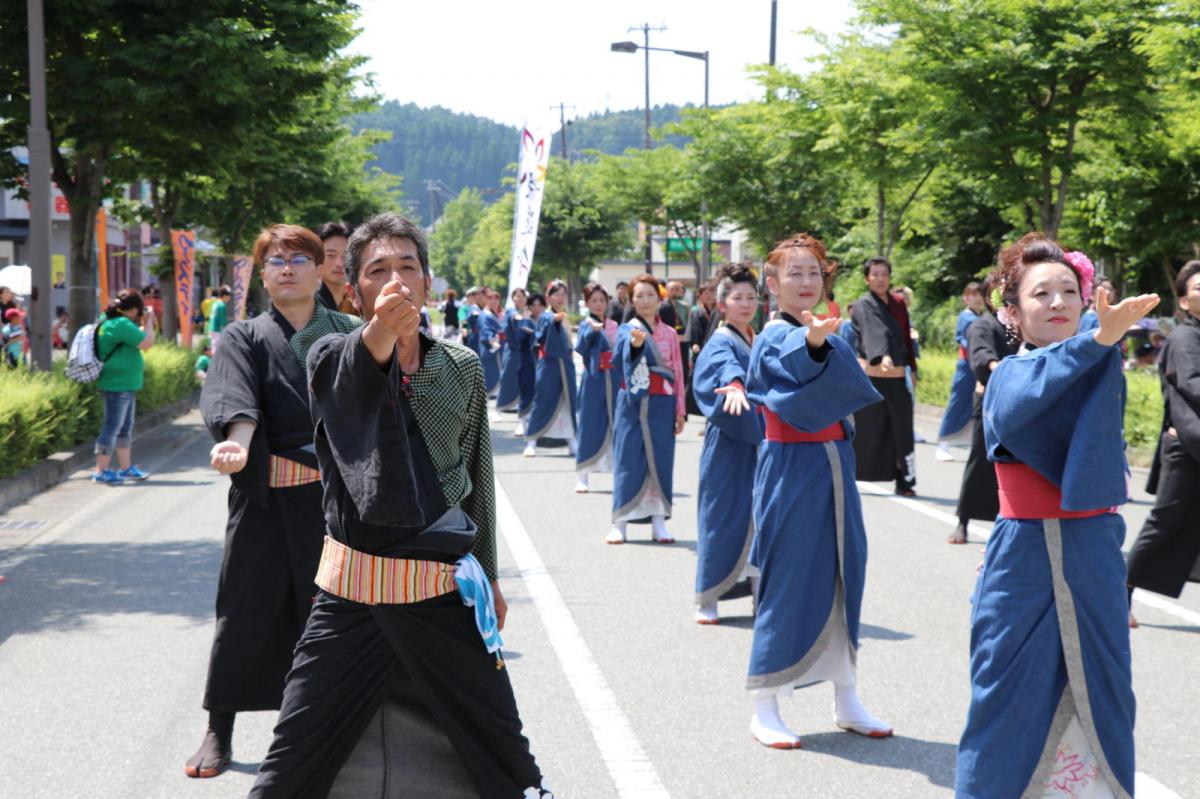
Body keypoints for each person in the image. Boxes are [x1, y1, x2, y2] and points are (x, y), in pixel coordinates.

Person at [248, 212, 551, 798]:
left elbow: (477, 481)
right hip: (350, 593)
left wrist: (488, 574)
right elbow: (358, 370)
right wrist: (381, 332)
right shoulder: (325, 353)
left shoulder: (457, 366)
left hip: (441, 591)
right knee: (291, 762)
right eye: (377, 270)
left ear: (429, 283)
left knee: (505, 754)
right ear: (352, 289)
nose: (396, 280)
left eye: (407, 267)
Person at [955, 234, 1158, 798]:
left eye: (1069, 290)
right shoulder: (1011, 375)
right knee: (1006, 698)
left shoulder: (1095, 362)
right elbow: (1021, 400)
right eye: (1040, 293)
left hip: (1093, 548)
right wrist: (1102, 338)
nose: (1058, 302)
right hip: (1025, 555)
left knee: (1107, 693)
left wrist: (1101, 344)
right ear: (1012, 311)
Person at [188, 224, 362, 779]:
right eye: (274, 260)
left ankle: (335, 728)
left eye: (298, 258)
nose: (286, 267)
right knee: (243, 613)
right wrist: (238, 445)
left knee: (332, 619)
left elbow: (369, 408)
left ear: (321, 269)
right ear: (262, 275)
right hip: (263, 498)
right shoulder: (243, 336)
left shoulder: (350, 332)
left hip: (333, 505)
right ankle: (220, 727)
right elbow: (235, 397)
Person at [743, 235, 892, 749]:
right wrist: (814, 346)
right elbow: (791, 363)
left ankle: (846, 696)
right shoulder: (773, 335)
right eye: (795, 273)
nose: (806, 282)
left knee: (846, 572)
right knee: (788, 577)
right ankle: (765, 702)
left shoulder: (830, 328)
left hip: (835, 463)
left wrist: (822, 341)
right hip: (790, 465)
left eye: (814, 273)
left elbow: (841, 376)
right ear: (773, 282)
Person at [1125, 260, 1200, 618]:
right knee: (1163, 524)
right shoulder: (1186, 337)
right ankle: (1118, 593)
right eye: (1199, 288)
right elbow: (1192, 385)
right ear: (1184, 302)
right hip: (1187, 448)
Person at [691, 263, 763, 624]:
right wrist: (734, 384)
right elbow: (722, 368)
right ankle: (708, 597)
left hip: (761, 442)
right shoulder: (720, 341)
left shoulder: (758, 338)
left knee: (760, 519)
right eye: (738, 298)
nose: (746, 304)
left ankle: (758, 594)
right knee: (722, 516)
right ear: (722, 305)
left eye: (751, 297)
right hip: (729, 443)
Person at [607, 273, 686, 544]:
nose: (644, 300)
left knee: (662, 461)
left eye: (650, 294)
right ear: (631, 299)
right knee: (628, 458)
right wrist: (635, 346)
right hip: (631, 402)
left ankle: (658, 521)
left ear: (659, 297)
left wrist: (680, 409)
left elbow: (678, 371)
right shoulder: (626, 329)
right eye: (638, 295)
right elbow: (618, 362)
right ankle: (620, 522)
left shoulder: (670, 333)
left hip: (663, 401)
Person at [949, 276, 1019, 544]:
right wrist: (993, 366)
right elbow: (981, 355)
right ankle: (962, 520)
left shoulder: (1020, 324)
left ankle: (1011, 521)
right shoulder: (982, 325)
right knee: (981, 458)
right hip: (990, 399)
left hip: (1021, 402)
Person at [851, 256, 918, 496]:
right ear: (867, 278)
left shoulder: (899, 303)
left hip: (897, 375)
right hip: (871, 376)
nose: (880, 279)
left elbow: (905, 338)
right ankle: (851, 473)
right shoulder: (863, 305)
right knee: (868, 430)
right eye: (875, 274)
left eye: (884, 274)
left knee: (902, 430)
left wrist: (913, 367)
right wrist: (882, 356)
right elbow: (874, 331)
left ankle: (905, 481)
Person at [88, 291, 156, 483]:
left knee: (125, 428)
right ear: (133, 309)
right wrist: (149, 320)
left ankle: (125, 469)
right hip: (117, 384)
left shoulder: (110, 321)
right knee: (112, 427)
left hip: (122, 383)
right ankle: (101, 470)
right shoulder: (121, 324)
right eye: (139, 311)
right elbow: (147, 342)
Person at [573, 282, 620, 493]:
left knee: (617, 425)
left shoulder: (614, 325)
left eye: (602, 300)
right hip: (594, 380)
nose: (599, 304)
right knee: (589, 425)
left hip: (614, 379)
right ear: (588, 303)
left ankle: (620, 474)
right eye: (594, 301)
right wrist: (591, 332)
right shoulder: (586, 324)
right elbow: (581, 348)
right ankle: (582, 476)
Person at [523, 280, 576, 458]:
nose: (560, 298)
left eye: (563, 294)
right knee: (542, 400)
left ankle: (572, 441)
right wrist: (553, 320)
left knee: (568, 402)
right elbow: (542, 333)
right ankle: (532, 440)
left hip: (566, 365)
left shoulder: (565, 317)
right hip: (549, 365)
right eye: (556, 294)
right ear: (549, 297)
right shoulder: (546, 316)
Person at [935, 282, 985, 461]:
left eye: (980, 294)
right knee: (957, 404)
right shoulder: (966, 317)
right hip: (966, 365)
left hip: (978, 366)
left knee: (976, 406)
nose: (977, 298)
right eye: (973, 294)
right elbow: (962, 339)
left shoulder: (981, 316)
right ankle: (942, 445)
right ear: (966, 298)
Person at [496, 288, 537, 434]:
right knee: (507, 378)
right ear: (512, 299)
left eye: (522, 296)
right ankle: (499, 408)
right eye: (516, 297)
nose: (519, 299)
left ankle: (525, 418)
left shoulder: (529, 313)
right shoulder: (510, 313)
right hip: (513, 352)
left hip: (527, 354)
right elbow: (507, 328)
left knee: (526, 385)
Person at [315, 221, 359, 316]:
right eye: (331, 255)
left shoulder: (356, 302)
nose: (339, 264)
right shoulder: (308, 303)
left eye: (346, 256)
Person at [478, 288, 504, 398]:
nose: (493, 301)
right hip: (489, 346)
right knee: (490, 370)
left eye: (496, 298)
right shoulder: (485, 315)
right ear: (486, 300)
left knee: (497, 369)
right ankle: (489, 392)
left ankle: (495, 391)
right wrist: (491, 340)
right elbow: (485, 330)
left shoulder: (498, 314)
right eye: (490, 298)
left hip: (499, 346)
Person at [206, 285, 232, 351]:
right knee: (217, 350)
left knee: (213, 348)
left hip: (211, 328)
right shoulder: (222, 305)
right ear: (224, 296)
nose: (230, 297)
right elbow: (222, 321)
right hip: (217, 330)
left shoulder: (216, 303)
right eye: (229, 295)